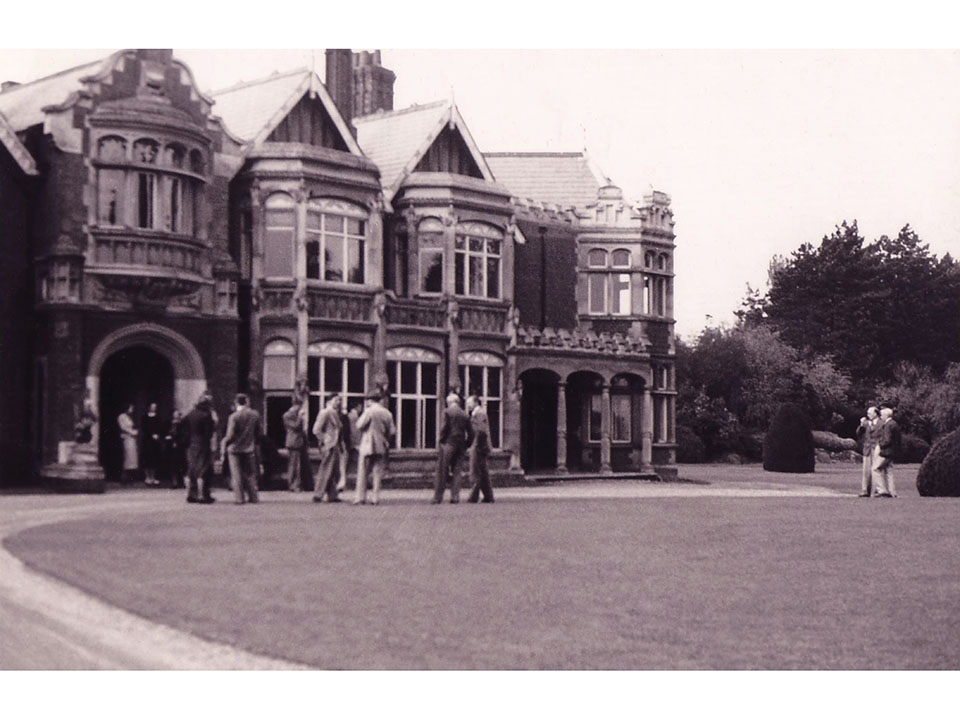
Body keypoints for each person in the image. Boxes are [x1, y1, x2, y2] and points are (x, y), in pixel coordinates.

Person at [354, 392, 396, 505]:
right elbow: (392, 431)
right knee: (377, 472)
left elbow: (359, 425)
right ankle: (375, 498)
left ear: (370, 400)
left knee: (363, 472)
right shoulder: (387, 413)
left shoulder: (369, 411)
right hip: (381, 444)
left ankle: (360, 497)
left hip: (368, 444)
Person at [432, 392, 474, 504]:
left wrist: (441, 440)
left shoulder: (447, 412)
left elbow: (444, 428)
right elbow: (471, 432)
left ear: (450, 402)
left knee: (442, 470)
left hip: (448, 443)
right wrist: (467, 444)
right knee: (457, 471)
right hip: (461, 445)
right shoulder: (464, 414)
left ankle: (438, 497)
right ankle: (455, 497)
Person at [222, 393, 261, 505]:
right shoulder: (255, 415)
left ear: (236, 402)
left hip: (234, 449)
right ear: (247, 401)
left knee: (236, 474)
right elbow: (258, 432)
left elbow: (230, 435)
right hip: (249, 447)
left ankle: (239, 498)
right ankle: (253, 497)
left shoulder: (233, 417)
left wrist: (224, 442)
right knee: (250, 473)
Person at [311, 394, 344, 503]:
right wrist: (325, 440)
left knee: (333, 470)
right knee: (326, 469)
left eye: (339, 400)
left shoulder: (335, 413)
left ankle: (332, 494)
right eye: (336, 400)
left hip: (335, 445)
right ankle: (318, 494)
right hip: (329, 445)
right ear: (329, 401)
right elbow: (316, 429)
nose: (338, 402)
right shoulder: (325, 412)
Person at [185, 395, 216, 504]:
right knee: (203, 469)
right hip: (203, 444)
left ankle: (189, 494)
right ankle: (202, 495)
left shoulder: (190, 414)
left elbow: (184, 428)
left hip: (191, 443)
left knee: (191, 469)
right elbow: (209, 433)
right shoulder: (206, 415)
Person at [466, 395, 494, 504]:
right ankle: (488, 496)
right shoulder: (478, 413)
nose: (468, 405)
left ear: (475, 402)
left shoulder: (479, 413)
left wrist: (475, 445)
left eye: (469, 403)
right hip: (481, 446)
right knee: (483, 472)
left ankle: (473, 497)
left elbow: (481, 430)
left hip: (478, 446)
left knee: (475, 471)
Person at [283, 399, 311, 492]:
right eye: (300, 406)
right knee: (294, 465)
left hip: (300, 443)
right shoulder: (287, 415)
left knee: (300, 465)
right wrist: (300, 417)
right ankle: (293, 485)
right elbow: (295, 426)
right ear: (295, 405)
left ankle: (300, 484)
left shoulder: (295, 415)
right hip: (293, 443)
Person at [873, 406, 901, 498]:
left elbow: (887, 440)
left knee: (875, 469)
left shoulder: (888, 425)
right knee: (889, 471)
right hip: (893, 452)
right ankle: (892, 492)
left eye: (882, 415)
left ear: (886, 415)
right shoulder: (894, 424)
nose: (881, 417)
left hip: (886, 452)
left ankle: (882, 490)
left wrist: (880, 444)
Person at [855, 406, 882, 498]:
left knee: (875, 470)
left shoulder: (882, 423)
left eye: (870, 413)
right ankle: (865, 490)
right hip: (867, 449)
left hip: (876, 448)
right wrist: (861, 425)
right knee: (866, 471)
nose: (868, 415)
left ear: (875, 413)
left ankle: (876, 491)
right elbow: (858, 434)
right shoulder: (865, 423)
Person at [141, 402, 163, 486]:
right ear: (149, 407)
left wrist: (157, 435)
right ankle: (147, 477)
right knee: (147, 459)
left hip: (155, 441)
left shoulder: (158, 417)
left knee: (154, 459)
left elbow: (160, 427)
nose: (154, 408)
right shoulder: (144, 417)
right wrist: (151, 435)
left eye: (155, 407)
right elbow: (144, 428)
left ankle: (153, 477)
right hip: (147, 440)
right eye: (152, 406)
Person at [165, 409, 188, 489]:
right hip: (171, 447)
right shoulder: (169, 423)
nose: (176, 415)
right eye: (175, 414)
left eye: (177, 414)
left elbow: (183, 434)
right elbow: (166, 432)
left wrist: (178, 441)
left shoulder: (182, 424)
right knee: (173, 465)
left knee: (182, 464)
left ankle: (183, 482)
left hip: (180, 446)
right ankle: (174, 482)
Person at [118, 404, 139, 484]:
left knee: (132, 459)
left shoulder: (130, 417)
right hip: (126, 438)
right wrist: (132, 432)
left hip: (132, 439)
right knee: (126, 457)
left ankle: (130, 478)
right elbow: (123, 427)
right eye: (131, 408)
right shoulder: (122, 416)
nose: (132, 410)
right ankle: (124, 478)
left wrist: (135, 432)